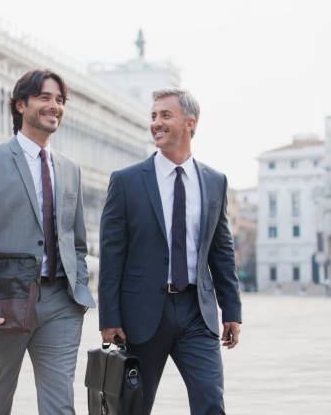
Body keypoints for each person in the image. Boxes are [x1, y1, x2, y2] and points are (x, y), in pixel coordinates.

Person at [0, 69, 95, 415]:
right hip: (4, 302)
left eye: (59, 100)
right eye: (45, 97)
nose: (54, 106)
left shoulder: (69, 168)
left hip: (61, 303)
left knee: (61, 404)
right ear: (20, 105)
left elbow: (77, 242)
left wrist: (77, 288)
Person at [99, 88, 242, 414]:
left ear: (189, 123)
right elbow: (111, 255)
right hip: (142, 314)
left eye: (165, 115)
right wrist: (109, 317)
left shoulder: (214, 181)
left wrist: (231, 309)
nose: (156, 123)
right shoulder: (126, 182)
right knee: (133, 407)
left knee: (210, 401)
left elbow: (221, 251)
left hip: (197, 313)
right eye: (153, 116)